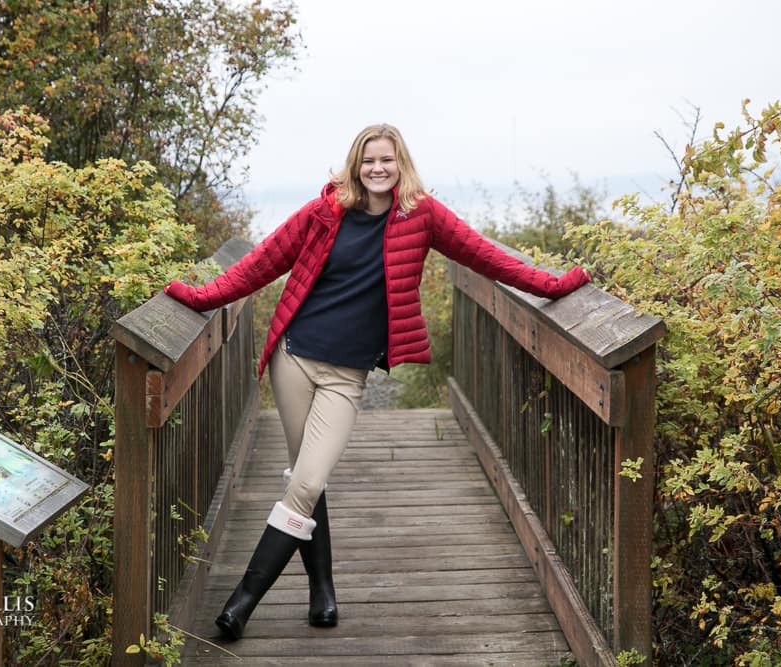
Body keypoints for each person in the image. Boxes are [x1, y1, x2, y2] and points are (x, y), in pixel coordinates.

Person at [162, 123, 591, 640]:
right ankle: (323, 593)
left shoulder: (422, 215)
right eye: (369, 161)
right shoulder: (325, 212)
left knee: (308, 479)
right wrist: (203, 297)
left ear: (401, 163)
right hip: (294, 358)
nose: (378, 169)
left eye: (387, 160)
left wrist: (553, 285)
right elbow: (262, 262)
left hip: (347, 374)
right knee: (306, 479)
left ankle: (241, 604)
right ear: (355, 164)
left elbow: (486, 256)